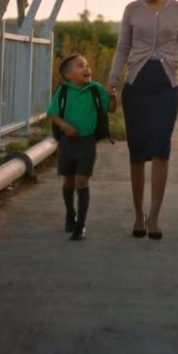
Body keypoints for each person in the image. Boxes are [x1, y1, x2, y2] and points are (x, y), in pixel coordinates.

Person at [107, 0, 178, 240]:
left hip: (167, 88)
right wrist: (112, 80)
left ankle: (155, 217)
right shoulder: (131, 10)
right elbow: (123, 47)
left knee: (161, 149)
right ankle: (139, 214)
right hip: (136, 87)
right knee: (137, 153)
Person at [46, 54, 116, 241]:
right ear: (69, 75)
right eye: (80, 66)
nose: (87, 69)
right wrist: (65, 126)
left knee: (82, 182)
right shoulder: (63, 91)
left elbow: (111, 108)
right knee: (69, 182)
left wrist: (113, 97)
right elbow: (52, 113)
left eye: (87, 65)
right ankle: (70, 214)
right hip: (67, 143)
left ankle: (80, 225)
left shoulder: (96, 89)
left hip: (87, 142)